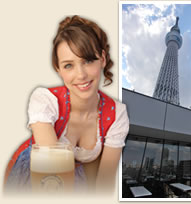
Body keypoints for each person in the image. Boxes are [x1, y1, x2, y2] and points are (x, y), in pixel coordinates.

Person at [4, 15, 129, 193]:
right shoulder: (45, 99)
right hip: (33, 179)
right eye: (69, 65)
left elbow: (104, 185)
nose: (81, 75)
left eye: (87, 60)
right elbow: (52, 171)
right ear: (58, 69)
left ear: (102, 58)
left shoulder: (117, 113)